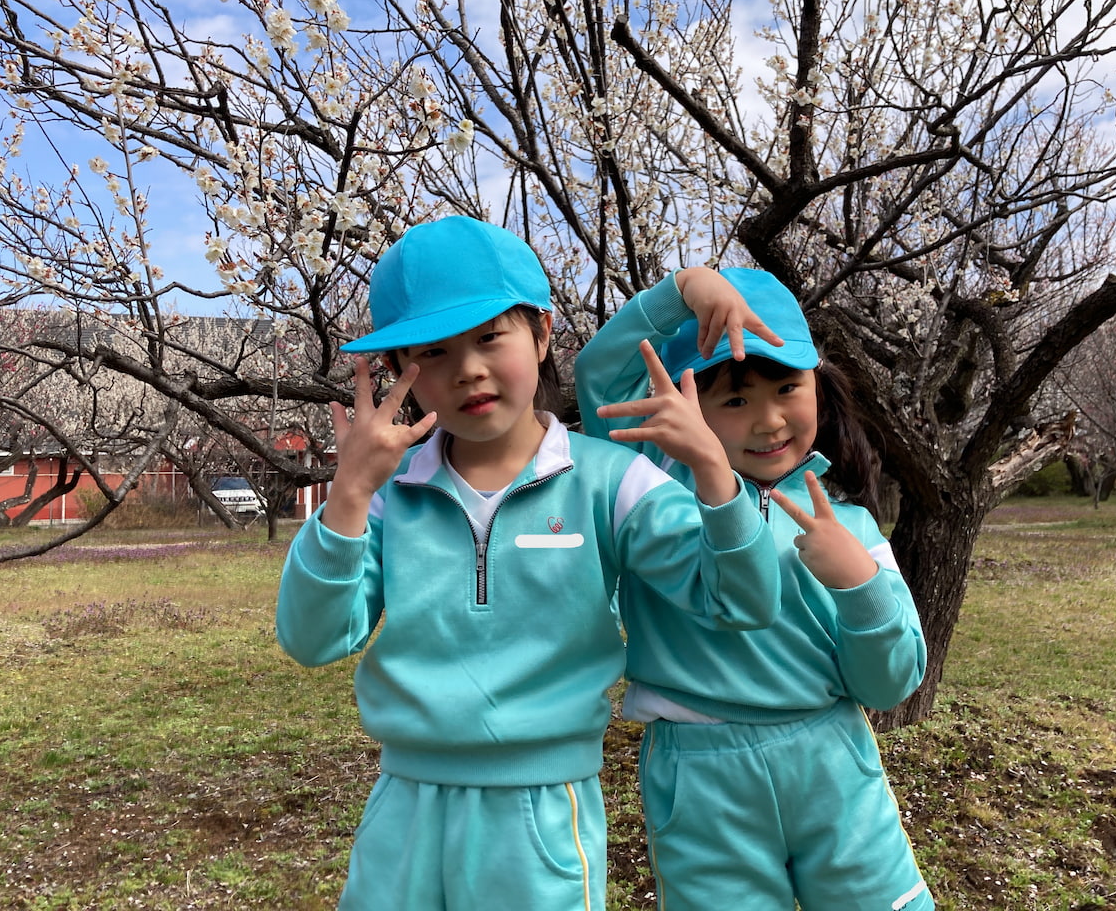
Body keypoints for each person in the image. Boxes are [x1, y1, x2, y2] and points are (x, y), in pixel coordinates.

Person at [275, 217, 780, 911]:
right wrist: (349, 495)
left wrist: (715, 474)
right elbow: (313, 639)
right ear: (398, 372)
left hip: (542, 811)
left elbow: (743, 601)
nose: (468, 369)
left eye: (490, 337)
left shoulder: (609, 483)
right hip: (404, 806)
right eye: (434, 352)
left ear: (542, 334)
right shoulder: (391, 496)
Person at [575, 265, 933, 911]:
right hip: (702, 773)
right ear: (685, 407)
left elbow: (888, 684)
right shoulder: (660, 492)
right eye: (735, 401)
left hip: (831, 758)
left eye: (788, 388)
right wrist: (683, 290)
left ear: (817, 383)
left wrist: (858, 584)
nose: (769, 422)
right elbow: (603, 379)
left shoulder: (850, 525)